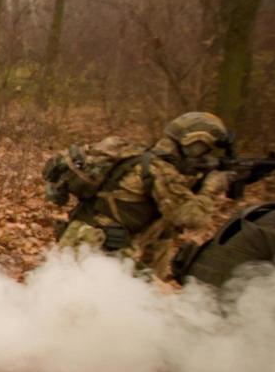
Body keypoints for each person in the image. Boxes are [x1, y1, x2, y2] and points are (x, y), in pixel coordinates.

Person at [48, 111, 237, 278]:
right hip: (98, 252)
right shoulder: (160, 171)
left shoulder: (137, 155)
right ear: (194, 144)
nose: (205, 157)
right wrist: (211, 188)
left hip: (84, 242)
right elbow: (191, 217)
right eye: (205, 150)